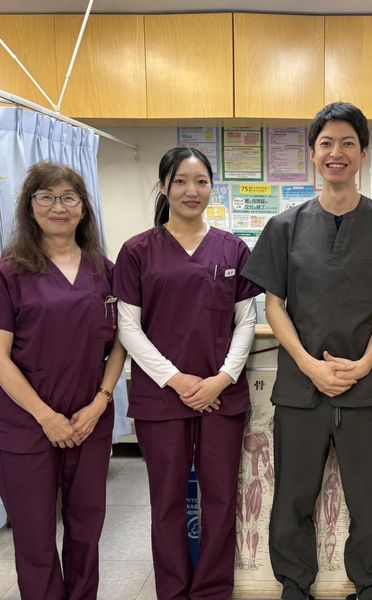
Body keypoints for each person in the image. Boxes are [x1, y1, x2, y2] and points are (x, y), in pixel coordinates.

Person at [242, 102, 372, 600]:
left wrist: (365, 364)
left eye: (348, 142)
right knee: (293, 494)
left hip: (368, 387)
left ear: (364, 153)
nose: (336, 152)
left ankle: (368, 585)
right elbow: (274, 307)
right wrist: (308, 365)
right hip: (301, 388)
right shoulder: (284, 227)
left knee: (367, 497)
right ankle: (294, 585)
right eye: (326, 143)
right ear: (312, 153)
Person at [0, 162, 126, 600]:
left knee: (86, 531)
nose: (59, 207)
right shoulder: (7, 274)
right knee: (35, 538)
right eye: (47, 197)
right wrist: (46, 417)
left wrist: (100, 401)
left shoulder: (104, 270)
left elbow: (121, 345)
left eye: (69, 198)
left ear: (83, 209)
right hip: (26, 427)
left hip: (90, 421)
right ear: (30, 205)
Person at [113, 147, 259, 600]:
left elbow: (246, 322)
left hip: (221, 396)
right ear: (163, 187)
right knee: (167, 501)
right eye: (180, 181)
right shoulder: (137, 251)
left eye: (201, 181)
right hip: (162, 397)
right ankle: (173, 592)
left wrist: (222, 379)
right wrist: (176, 379)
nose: (191, 191)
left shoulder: (233, 248)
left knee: (221, 498)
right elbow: (127, 327)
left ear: (212, 187)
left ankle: (213, 591)